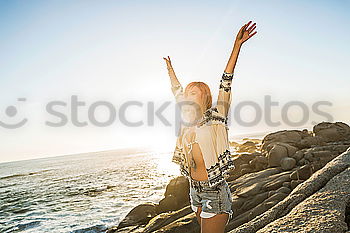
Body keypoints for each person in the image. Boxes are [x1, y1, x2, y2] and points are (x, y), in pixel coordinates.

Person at [163, 20, 257, 233]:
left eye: (193, 92)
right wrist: (170, 69)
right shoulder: (186, 117)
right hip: (193, 189)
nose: (187, 95)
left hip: (214, 190)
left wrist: (237, 46)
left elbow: (226, 81)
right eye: (187, 93)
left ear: (205, 97)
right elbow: (176, 89)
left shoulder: (217, 115)